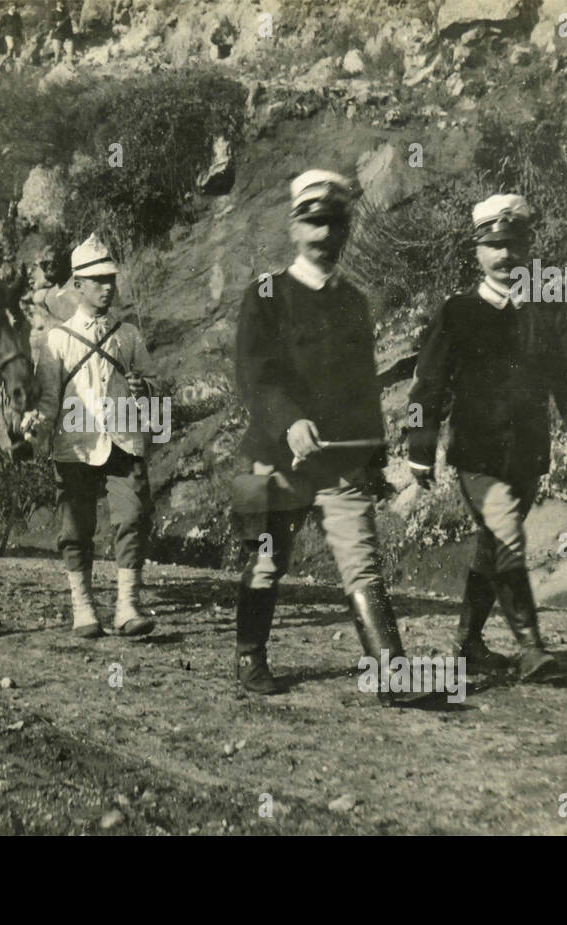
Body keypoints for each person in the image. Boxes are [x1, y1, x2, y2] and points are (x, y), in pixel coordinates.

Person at [407, 193, 567, 681]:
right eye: (493, 245)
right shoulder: (457, 312)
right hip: (476, 456)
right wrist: (419, 450)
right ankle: (531, 648)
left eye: (513, 243)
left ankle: (468, 644)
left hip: (527, 456)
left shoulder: (546, 312)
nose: (505, 255)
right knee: (505, 530)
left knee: (492, 546)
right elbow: (427, 385)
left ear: (528, 246)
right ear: (477, 251)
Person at [232, 170, 407, 697]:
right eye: (314, 224)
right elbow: (253, 374)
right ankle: (249, 656)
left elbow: (362, 388)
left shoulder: (353, 300)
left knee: (362, 562)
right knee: (267, 561)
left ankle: (392, 671)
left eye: (334, 224)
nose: (325, 235)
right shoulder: (266, 294)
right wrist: (290, 422)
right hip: (276, 457)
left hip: (340, 459)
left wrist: (373, 456)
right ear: (294, 227)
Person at [26, 235, 158, 639]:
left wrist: (146, 390)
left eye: (111, 279)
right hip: (76, 442)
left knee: (133, 517)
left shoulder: (129, 334)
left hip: (124, 437)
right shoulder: (56, 339)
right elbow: (48, 401)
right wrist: (37, 425)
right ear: (78, 286)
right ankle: (83, 607)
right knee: (76, 528)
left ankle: (127, 606)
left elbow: (156, 380)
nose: (107, 287)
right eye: (98, 280)